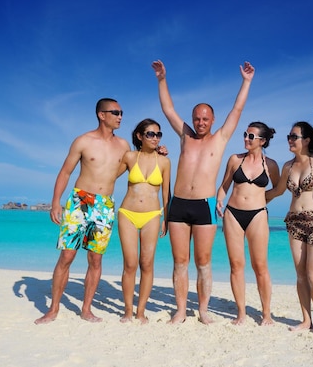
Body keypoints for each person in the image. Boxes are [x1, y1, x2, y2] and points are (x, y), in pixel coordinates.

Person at [151, 59, 255, 324]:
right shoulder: (185, 135)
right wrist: (162, 79)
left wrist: (246, 81)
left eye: (205, 118)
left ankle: (204, 310)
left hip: (205, 205)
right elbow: (167, 109)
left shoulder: (220, 139)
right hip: (178, 205)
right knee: (180, 260)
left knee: (204, 261)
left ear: (213, 120)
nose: (200, 122)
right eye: (196, 118)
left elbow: (237, 109)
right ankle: (181, 310)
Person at [35, 98, 130, 324]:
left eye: (121, 112)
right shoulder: (84, 141)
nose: (120, 116)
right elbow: (66, 172)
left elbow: (134, 163)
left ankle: (86, 309)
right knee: (67, 255)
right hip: (80, 200)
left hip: (105, 204)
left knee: (95, 260)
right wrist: (56, 202)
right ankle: (53, 308)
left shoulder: (124, 145)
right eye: (115, 112)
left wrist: (160, 152)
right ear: (101, 115)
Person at [265, 121, 313, 334]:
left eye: (294, 136)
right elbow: (277, 191)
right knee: (301, 274)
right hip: (294, 221)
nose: (290, 140)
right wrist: (248, 201)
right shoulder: (288, 166)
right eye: (289, 136)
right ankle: (306, 320)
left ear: (306, 140)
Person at [216, 122, 280, 325]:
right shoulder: (235, 160)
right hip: (233, 214)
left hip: (258, 215)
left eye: (250, 136)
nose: (246, 138)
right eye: (245, 134)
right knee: (236, 265)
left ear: (262, 141)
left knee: (260, 266)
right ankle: (241, 313)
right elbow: (225, 185)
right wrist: (219, 200)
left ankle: (267, 314)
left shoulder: (270, 165)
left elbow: (278, 189)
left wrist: (262, 199)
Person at [118, 118, 171, 324]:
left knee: (147, 264)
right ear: (140, 136)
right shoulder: (130, 157)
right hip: (127, 214)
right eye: (150, 134)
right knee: (130, 264)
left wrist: (166, 218)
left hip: (152, 216)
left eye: (158, 134)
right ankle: (128, 311)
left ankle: (141, 311)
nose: (155, 138)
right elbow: (110, 175)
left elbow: (167, 194)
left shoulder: (165, 161)